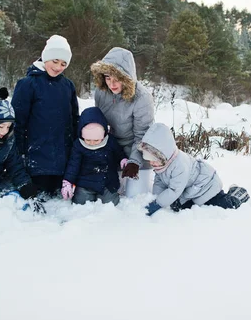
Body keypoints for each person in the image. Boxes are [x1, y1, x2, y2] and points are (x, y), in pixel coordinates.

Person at [11, 35, 79, 201]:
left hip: (62, 163)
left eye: (64, 64)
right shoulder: (27, 84)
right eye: (55, 61)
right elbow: (17, 123)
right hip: (36, 162)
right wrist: (18, 155)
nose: (58, 67)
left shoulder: (68, 85)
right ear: (46, 57)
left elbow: (74, 120)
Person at [139, 123, 250, 216]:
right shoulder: (161, 163)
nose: (150, 162)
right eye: (146, 157)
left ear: (163, 153)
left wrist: (156, 205)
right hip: (191, 190)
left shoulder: (180, 164)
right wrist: (155, 197)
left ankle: (238, 196)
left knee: (221, 204)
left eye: (152, 158)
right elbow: (159, 182)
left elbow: (174, 190)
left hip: (206, 185)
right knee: (183, 206)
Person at [90, 47, 154, 197]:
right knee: (106, 192)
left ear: (127, 77)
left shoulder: (142, 98)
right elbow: (99, 125)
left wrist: (134, 162)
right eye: (107, 77)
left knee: (135, 197)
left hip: (137, 149)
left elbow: (142, 135)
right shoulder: (101, 92)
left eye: (117, 79)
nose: (112, 84)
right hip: (112, 148)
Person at [61, 107, 128, 205]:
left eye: (96, 140)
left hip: (107, 182)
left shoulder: (110, 142)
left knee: (110, 204)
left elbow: (119, 152)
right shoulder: (79, 145)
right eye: (88, 140)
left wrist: (123, 159)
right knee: (80, 203)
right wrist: (68, 182)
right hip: (85, 182)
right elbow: (73, 164)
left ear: (103, 134)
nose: (92, 143)